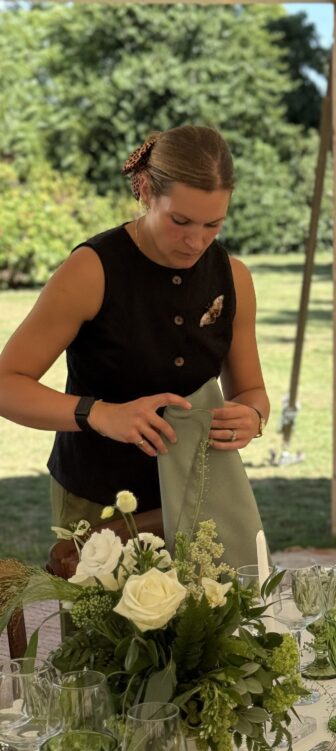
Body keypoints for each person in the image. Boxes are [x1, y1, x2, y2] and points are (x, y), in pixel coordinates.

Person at [0, 125, 269, 528]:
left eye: (213, 225)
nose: (196, 242)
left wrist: (253, 417)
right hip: (98, 499)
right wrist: (99, 414)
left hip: (200, 498)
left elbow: (252, 393)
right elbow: (7, 384)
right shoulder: (91, 271)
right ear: (144, 190)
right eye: (180, 221)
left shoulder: (234, 277)